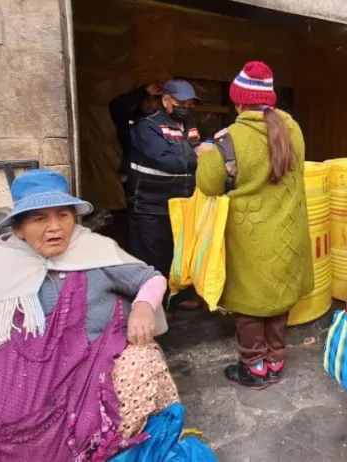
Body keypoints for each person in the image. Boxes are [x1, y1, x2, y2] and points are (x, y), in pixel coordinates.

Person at [0, 169, 181, 459]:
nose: (55, 227)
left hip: (88, 374)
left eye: (63, 215)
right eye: (39, 218)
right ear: (18, 229)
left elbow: (149, 278)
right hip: (13, 383)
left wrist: (143, 307)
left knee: (122, 395)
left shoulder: (96, 251)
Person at [196, 61, 312, 389]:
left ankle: (254, 367)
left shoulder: (229, 139)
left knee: (249, 303)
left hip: (250, 237)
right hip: (288, 231)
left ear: (238, 103)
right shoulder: (293, 129)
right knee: (278, 295)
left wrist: (205, 154)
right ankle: (276, 359)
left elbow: (209, 185)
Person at [126, 79, 201, 286]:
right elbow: (167, 161)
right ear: (166, 100)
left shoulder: (190, 124)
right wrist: (203, 157)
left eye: (190, 104)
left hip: (182, 204)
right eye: (181, 103)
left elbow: (196, 148)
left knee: (178, 255)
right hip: (151, 207)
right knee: (153, 262)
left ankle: (177, 296)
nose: (186, 108)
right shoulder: (147, 127)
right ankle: (155, 300)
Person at [109, 82, 165, 197]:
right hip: (133, 175)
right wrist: (144, 92)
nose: (149, 104)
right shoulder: (131, 118)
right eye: (146, 99)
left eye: (154, 100)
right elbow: (116, 106)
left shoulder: (166, 121)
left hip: (160, 175)